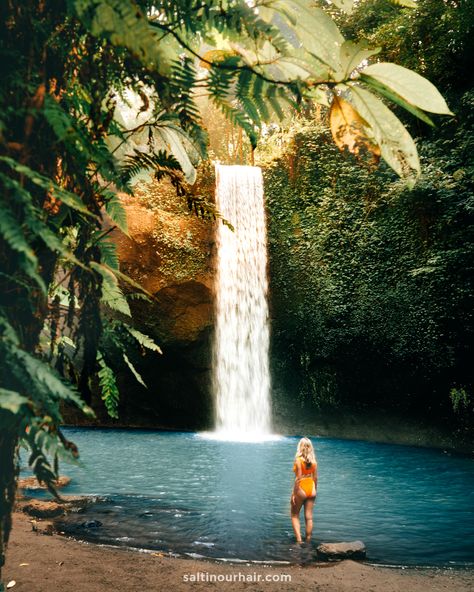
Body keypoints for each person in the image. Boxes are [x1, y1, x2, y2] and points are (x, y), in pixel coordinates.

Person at [290, 436, 318, 543]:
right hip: (311, 487)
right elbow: (315, 478)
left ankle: (299, 540)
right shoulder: (314, 462)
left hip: (301, 488)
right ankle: (308, 541)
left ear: (300, 447)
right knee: (309, 517)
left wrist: (293, 494)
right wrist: (315, 490)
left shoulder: (298, 460)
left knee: (294, 514)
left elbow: (298, 478)